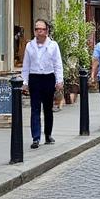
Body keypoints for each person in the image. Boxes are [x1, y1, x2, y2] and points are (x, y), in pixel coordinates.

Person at [21, 19, 63, 149]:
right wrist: (25, 82)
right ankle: (36, 138)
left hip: (48, 78)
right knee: (35, 109)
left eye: (42, 29)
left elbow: (58, 64)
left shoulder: (53, 45)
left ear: (47, 31)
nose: (39, 32)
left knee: (47, 109)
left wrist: (59, 80)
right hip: (35, 78)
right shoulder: (29, 45)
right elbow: (26, 65)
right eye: (37, 29)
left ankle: (48, 134)